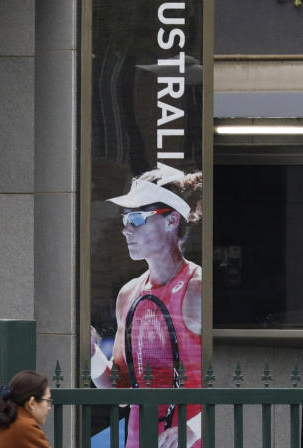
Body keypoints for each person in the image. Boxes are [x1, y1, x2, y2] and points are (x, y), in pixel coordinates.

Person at [90, 163, 203, 448]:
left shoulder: (198, 287)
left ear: (172, 220)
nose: (126, 229)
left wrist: (192, 430)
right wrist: (91, 354)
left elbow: (236, 385)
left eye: (137, 219)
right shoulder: (128, 294)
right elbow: (123, 390)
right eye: (124, 219)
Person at [0, 370, 52, 448]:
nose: (49, 407)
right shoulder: (24, 427)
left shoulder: (1, 421)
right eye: (47, 401)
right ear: (31, 403)